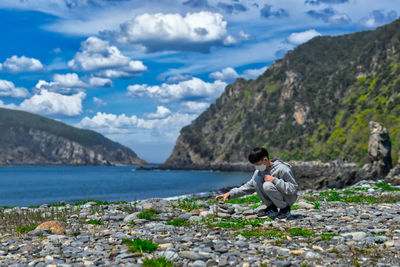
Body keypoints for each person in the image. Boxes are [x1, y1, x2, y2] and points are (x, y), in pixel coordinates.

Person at [215, 147, 298, 219]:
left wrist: (274, 180)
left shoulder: (282, 169)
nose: (256, 167)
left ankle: (285, 209)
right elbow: (248, 187)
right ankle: (271, 207)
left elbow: (293, 188)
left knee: (267, 185)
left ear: (265, 160)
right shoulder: (259, 172)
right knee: (257, 180)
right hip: (277, 198)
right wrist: (230, 194)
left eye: (257, 164)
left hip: (288, 198)